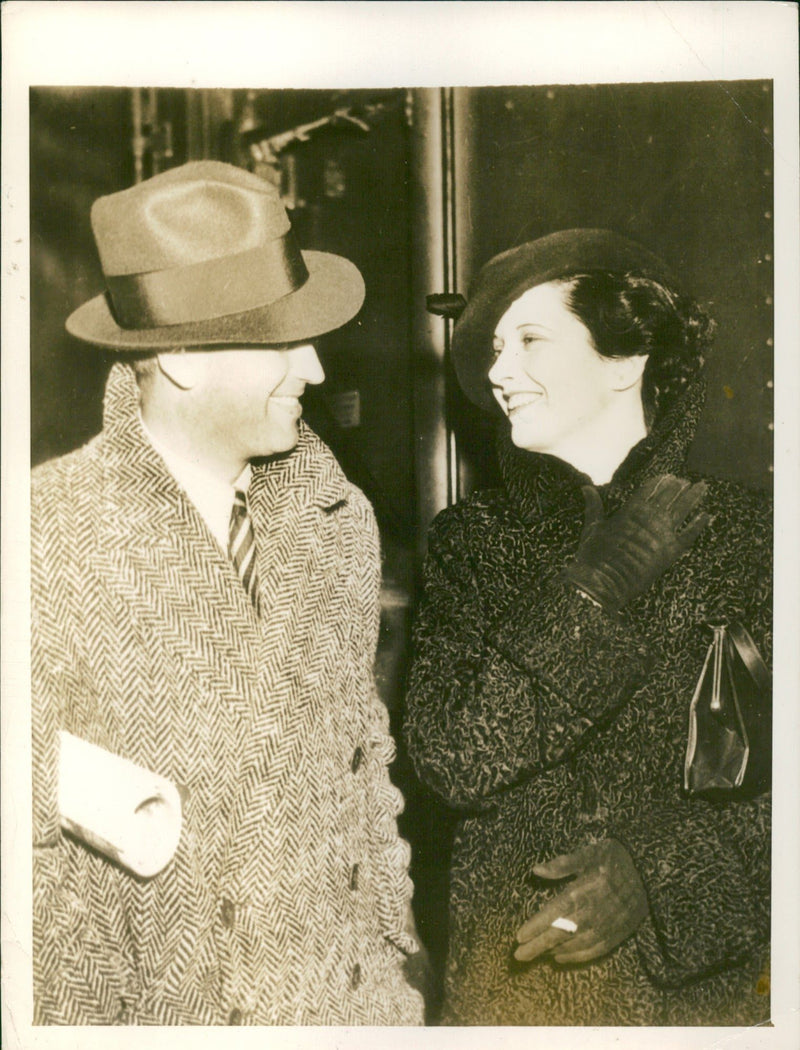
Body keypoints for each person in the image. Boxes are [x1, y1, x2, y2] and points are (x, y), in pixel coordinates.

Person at [31, 160, 424, 1026]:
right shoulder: (41, 539)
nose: (315, 370)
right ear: (178, 356)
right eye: (283, 342)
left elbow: (364, 766)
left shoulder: (336, 522)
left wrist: (396, 966)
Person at [404, 229, 772, 1026]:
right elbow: (452, 758)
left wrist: (659, 874)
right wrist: (593, 593)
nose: (499, 374)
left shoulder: (756, 537)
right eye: (495, 350)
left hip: (709, 1006)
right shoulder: (475, 544)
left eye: (531, 340)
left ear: (628, 358)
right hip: (522, 999)